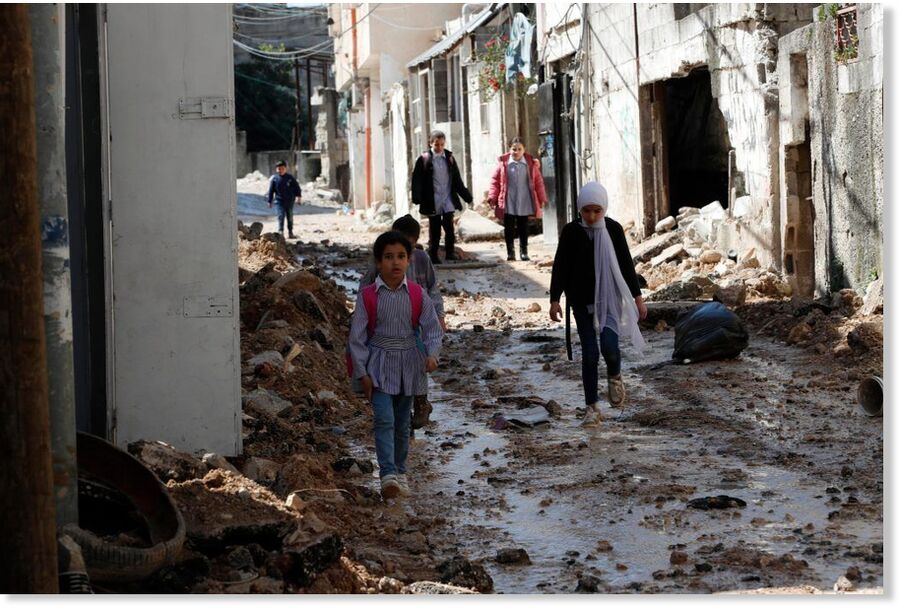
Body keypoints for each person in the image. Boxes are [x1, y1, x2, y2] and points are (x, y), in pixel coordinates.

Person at [348, 231, 443, 499]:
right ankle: (387, 473)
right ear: (378, 263)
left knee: (403, 423)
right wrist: (362, 372)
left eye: (400, 256)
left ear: (409, 260)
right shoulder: (368, 296)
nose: (395, 263)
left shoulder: (417, 294)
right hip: (378, 364)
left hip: (410, 365)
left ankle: (400, 472)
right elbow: (356, 337)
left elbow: (432, 329)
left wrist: (433, 355)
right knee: (384, 419)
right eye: (388, 257)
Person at [548, 182, 648, 428]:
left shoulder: (613, 230)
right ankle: (591, 407)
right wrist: (554, 299)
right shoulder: (571, 232)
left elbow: (625, 264)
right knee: (590, 353)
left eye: (597, 211)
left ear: (603, 209)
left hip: (609, 299)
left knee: (610, 348)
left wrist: (637, 297)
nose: (592, 217)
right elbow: (561, 265)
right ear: (580, 209)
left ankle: (615, 375)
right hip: (581, 302)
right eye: (587, 211)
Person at [359, 214, 447, 434]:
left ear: (415, 242)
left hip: (416, 320)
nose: (398, 260)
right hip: (388, 322)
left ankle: (420, 402)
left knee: (417, 363)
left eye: (406, 249)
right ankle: (403, 418)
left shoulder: (422, 259)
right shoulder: (381, 262)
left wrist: (439, 316)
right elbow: (365, 288)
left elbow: (433, 288)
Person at [411, 130, 474, 264]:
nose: (439, 147)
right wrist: (417, 197)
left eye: (441, 144)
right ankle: (433, 254)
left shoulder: (449, 158)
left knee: (449, 227)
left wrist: (467, 196)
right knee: (434, 229)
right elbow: (417, 179)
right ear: (431, 143)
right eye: (436, 144)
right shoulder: (424, 159)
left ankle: (450, 253)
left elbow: (456, 179)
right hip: (432, 199)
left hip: (447, 197)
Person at [488, 137, 548, 261]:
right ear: (509, 149)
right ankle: (510, 252)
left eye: (519, 149)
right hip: (508, 200)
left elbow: (538, 181)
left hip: (524, 199)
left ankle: (524, 251)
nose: (516, 152)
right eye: (514, 149)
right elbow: (495, 181)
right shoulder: (503, 164)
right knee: (509, 227)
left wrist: (542, 198)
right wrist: (492, 197)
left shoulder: (530, 164)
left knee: (523, 226)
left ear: (524, 150)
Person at [266, 160, 302, 239]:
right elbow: (271, 191)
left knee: (289, 216)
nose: (280, 170)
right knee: (280, 215)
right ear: (276, 169)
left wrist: (298, 197)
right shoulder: (275, 179)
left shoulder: (290, 178)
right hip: (279, 201)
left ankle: (290, 232)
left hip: (289, 201)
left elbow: (297, 188)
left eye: (282, 168)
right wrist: (269, 201)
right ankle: (281, 231)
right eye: (279, 169)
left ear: (286, 168)